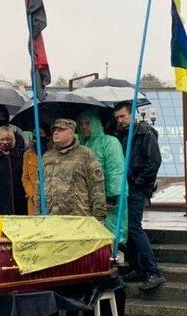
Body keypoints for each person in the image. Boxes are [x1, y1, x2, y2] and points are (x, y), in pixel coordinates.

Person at [114, 101, 165, 290]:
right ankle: (137, 267)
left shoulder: (145, 133)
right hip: (126, 187)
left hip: (137, 187)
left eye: (123, 116)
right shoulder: (120, 135)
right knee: (128, 228)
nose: (120, 120)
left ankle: (154, 271)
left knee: (134, 227)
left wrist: (138, 181)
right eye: (117, 118)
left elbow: (154, 161)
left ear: (132, 115)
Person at [35, 119, 106, 219]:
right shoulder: (47, 157)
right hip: (51, 218)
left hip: (78, 219)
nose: (56, 133)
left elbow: (97, 186)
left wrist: (99, 216)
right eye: (55, 130)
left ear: (71, 133)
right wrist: (37, 215)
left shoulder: (85, 154)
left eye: (61, 130)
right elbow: (39, 188)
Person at [78, 110, 127, 244]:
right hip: (87, 200)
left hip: (107, 198)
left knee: (110, 233)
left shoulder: (109, 142)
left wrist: (113, 196)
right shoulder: (81, 145)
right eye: (81, 124)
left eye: (87, 123)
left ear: (96, 124)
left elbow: (116, 170)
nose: (84, 127)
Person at [21, 124, 50, 215]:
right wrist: (33, 195)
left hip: (50, 200)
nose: (37, 136)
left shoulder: (53, 154)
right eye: (34, 134)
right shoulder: (27, 155)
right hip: (33, 201)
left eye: (40, 133)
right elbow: (25, 178)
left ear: (47, 136)